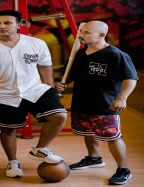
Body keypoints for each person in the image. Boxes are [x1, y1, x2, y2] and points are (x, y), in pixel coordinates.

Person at [0, 10, 67, 178]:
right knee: (8, 129)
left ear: (19, 25)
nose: (1, 26)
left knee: (59, 116)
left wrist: (49, 86)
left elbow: (44, 65)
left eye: (7, 23)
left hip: (35, 89)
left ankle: (40, 149)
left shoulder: (36, 43)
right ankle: (12, 161)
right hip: (2, 95)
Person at [56, 20, 138, 185]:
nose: (81, 35)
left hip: (105, 104)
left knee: (112, 137)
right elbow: (71, 74)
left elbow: (131, 78)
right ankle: (94, 159)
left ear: (101, 35)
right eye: (81, 32)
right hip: (82, 102)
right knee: (89, 132)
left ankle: (123, 170)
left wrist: (122, 98)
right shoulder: (79, 54)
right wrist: (62, 83)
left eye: (86, 32)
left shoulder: (115, 54)